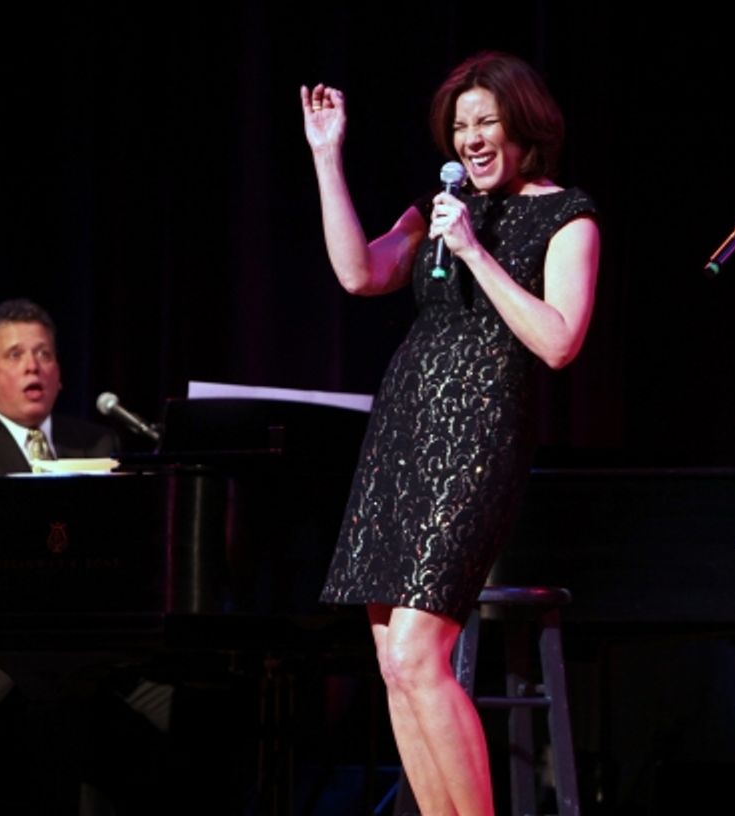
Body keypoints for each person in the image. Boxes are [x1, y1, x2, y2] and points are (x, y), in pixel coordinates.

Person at [301, 52, 600, 815]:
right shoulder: (434, 208)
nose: (469, 138)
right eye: (459, 125)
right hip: (402, 432)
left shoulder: (568, 216)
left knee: (417, 652)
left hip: (478, 438)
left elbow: (560, 341)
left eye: (484, 121)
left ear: (522, 126)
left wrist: (474, 251)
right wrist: (327, 157)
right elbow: (359, 274)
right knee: (391, 662)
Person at [0, 298, 174, 813]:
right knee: (52, 721)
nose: (33, 365)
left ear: (58, 375)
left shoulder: (97, 441)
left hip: (92, 656)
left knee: (189, 708)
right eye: (15, 355)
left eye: (44, 354)